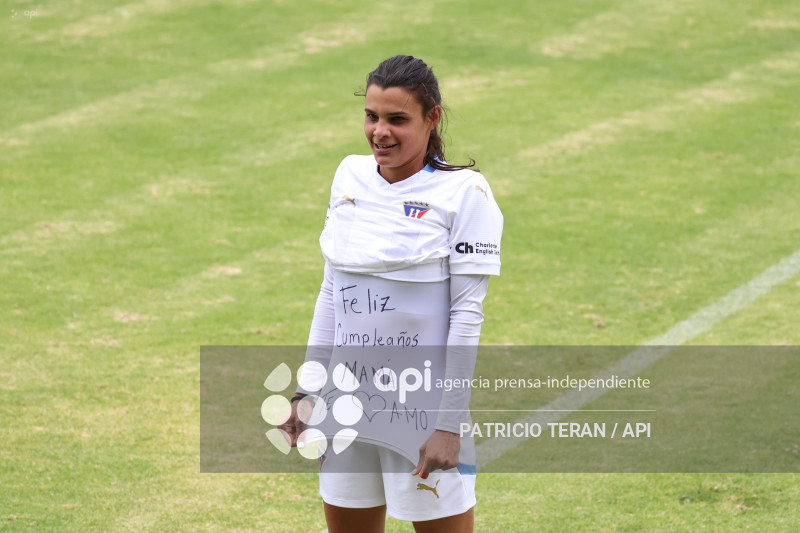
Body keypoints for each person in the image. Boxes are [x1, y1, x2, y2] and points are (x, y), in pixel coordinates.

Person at [280, 55, 503, 533]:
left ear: (432, 117)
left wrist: (448, 426)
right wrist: (308, 389)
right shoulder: (349, 176)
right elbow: (331, 291)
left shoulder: (466, 193)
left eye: (397, 119)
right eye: (372, 116)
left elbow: (466, 315)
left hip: (422, 413)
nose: (380, 132)